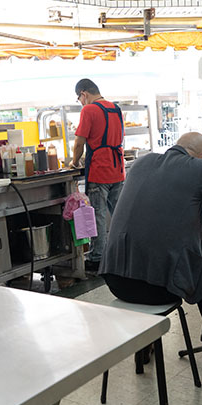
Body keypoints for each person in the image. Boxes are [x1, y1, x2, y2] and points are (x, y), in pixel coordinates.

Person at [100, 133, 202, 342]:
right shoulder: (200, 169)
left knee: (185, 246)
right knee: (195, 250)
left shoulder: (142, 162)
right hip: (157, 289)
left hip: (115, 281)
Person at [70, 78, 125, 273]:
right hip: (118, 169)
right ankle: (125, 252)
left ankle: (97, 257)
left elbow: (79, 142)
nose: (81, 102)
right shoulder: (115, 108)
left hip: (99, 170)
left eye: (79, 99)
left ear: (84, 94)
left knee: (98, 215)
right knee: (120, 214)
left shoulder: (89, 110)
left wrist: (74, 162)